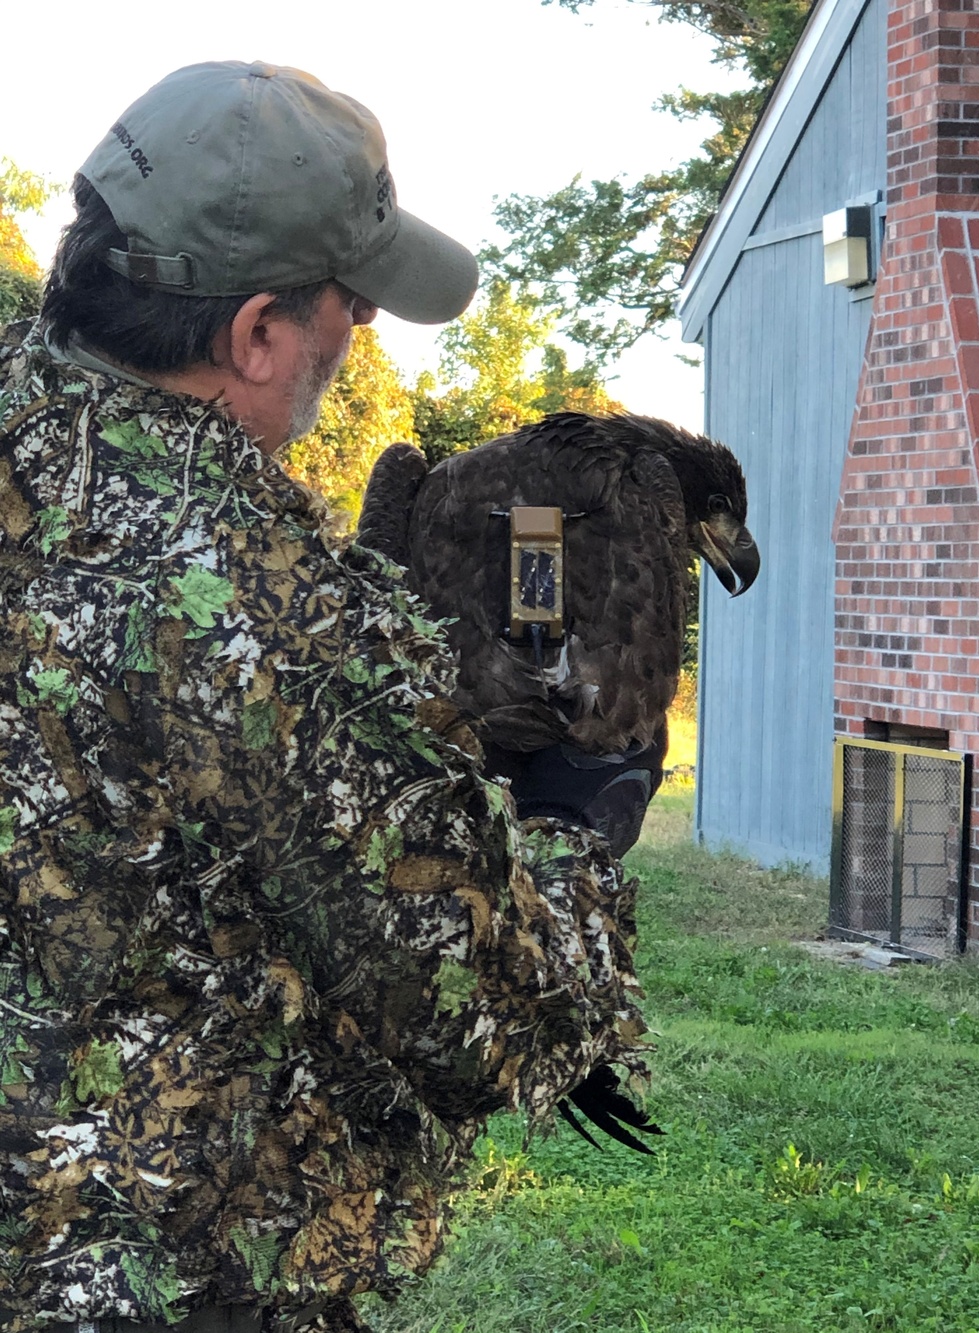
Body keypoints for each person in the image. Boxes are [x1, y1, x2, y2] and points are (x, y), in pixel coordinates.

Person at [0, 62, 650, 1333]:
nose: (359, 341)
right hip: (152, 1279)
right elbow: (482, 1014)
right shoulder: (256, 609)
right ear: (255, 331)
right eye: (350, 307)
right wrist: (572, 831)